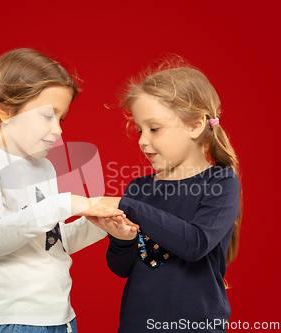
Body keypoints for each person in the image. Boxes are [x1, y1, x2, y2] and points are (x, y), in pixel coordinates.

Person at [0, 48, 128, 333]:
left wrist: (100, 221)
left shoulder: (43, 167)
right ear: (6, 110)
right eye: (48, 116)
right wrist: (67, 203)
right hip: (14, 322)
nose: (59, 131)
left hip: (61, 319)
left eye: (61, 119)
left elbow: (53, 242)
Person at [94, 60, 243, 332]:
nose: (141, 140)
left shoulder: (220, 183)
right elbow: (121, 267)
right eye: (140, 129)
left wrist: (127, 206)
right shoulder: (138, 188)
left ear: (196, 126)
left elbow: (195, 244)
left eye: (154, 128)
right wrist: (120, 238)